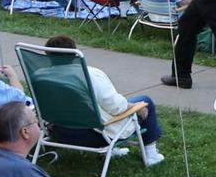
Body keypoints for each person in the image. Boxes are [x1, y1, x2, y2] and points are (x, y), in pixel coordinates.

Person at [42, 35, 164, 165]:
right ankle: (151, 155)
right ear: (74, 53)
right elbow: (116, 107)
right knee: (145, 101)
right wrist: (133, 106)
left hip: (59, 132)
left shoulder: (40, 76)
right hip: (93, 136)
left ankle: (112, 151)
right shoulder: (90, 75)